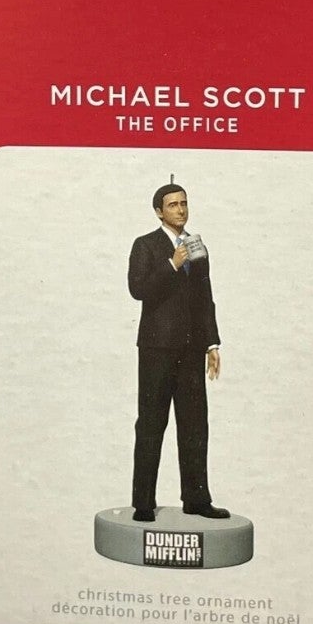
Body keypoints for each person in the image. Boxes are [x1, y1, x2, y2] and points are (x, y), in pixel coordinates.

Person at [127, 183, 228, 523]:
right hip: (157, 349)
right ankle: (143, 503)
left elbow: (205, 297)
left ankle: (196, 499)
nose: (181, 209)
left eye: (184, 203)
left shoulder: (197, 246)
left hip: (191, 350)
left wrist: (212, 343)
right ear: (159, 211)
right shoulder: (145, 245)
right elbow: (138, 289)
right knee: (151, 423)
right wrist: (171, 264)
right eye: (173, 205)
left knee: (195, 424)